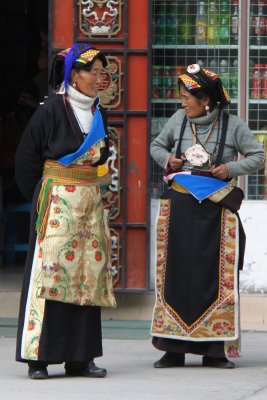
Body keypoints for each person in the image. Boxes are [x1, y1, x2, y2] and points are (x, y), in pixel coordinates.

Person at [150, 63, 264, 369]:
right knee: (175, 274)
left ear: (206, 100)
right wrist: (168, 159)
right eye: (182, 96)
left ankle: (215, 351)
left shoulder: (234, 125)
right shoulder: (178, 120)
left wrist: (230, 169)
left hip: (215, 211)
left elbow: (258, 156)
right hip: (180, 207)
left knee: (212, 279)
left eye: (188, 97)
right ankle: (172, 348)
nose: (183, 102)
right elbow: (156, 145)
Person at [15, 43, 116, 379]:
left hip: (89, 205)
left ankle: (80, 356)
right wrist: (42, 198)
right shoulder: (50, 111)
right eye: (94, 71)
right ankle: (39, 357)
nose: (101, 77)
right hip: (57, 203)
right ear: (75, 75)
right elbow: (26, 161)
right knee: (50, 275)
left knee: (88, 277)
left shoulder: (99, 113)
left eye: (104, 71)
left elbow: (102, 160)